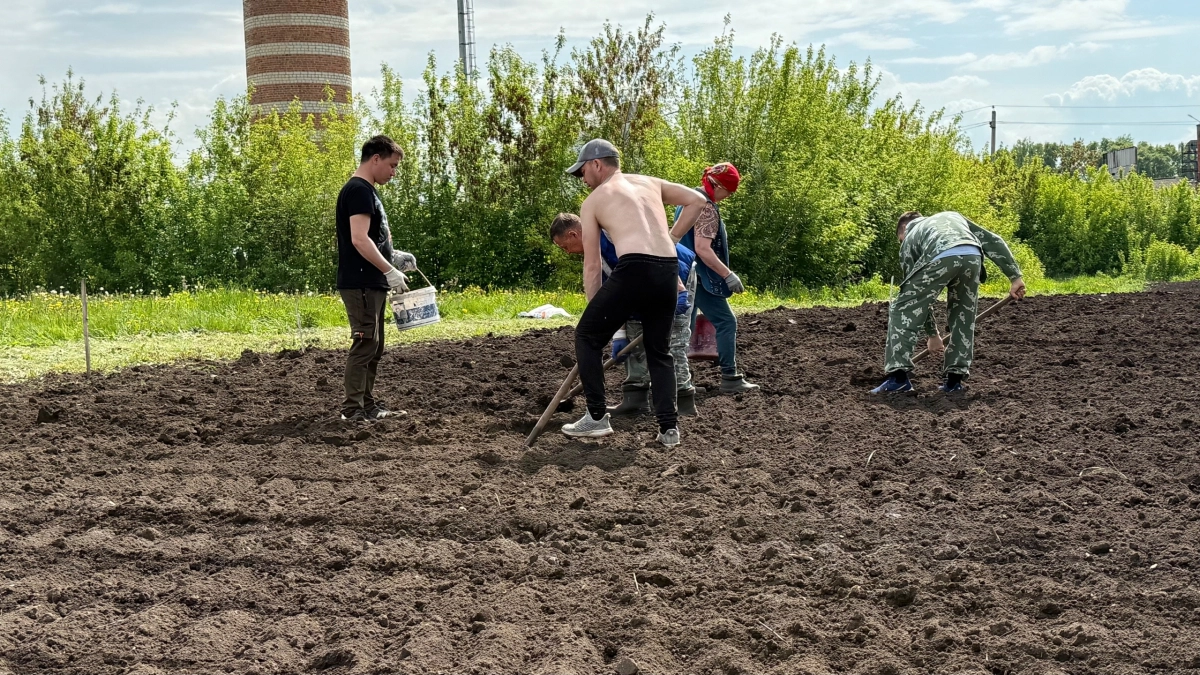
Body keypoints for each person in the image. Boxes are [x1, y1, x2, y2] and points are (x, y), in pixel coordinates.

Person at [560, 139, 708, 447]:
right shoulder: (649, 183)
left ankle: (597, 418)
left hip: (634, 267)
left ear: (597, 164)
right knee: (659, 350)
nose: (583, 180)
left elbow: (591, 265)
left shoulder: (594, 201)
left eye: (583, 172)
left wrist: (595, 314)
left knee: (586, 337)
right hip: (667, 268)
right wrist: (672, 237)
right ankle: (669, 429)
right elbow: (697, 199)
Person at [550, 214, 699, 416]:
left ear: (573, 234)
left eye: (564, 247)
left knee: (672, 338)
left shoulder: (614, 233)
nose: (567, 253)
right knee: (633, 330)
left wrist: (678, 292)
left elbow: (657, 258)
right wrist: (620, 334)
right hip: (636, 283)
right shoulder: (595, 253)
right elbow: (608, 297)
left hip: (672, 270)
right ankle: (635, 398)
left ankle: (683, 401)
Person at [871, 210, 1027, 394]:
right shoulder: (952, 216)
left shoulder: (910, 237)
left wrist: (932, 335)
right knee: (963, 315)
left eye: (900, 239)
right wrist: (1015, 277)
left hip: (941, 256)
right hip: (972, 256)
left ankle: (898, 379)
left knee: (902, 307)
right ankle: (954, 382)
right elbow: (993, 241)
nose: (902, 243)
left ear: (904, 229)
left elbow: (916, 304)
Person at [335, 135, 417, 421]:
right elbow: (359, 239)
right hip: (362, 283)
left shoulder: (367, 191)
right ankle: (352, 409)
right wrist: (388, 270)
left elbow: (372, 238)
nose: (394, 173)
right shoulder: (359, 191)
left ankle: (367, 406)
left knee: (375, 345)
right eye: (392, 166)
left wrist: (393, 256)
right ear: (375, 159)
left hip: (371, 282)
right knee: (365, 343)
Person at [670, 162, 759, 394]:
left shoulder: (687, 199)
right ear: (718, 185)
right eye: (728, 192)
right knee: (726, 322)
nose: (728, 197)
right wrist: (727, 275)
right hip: (701, 278)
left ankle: (680, 383)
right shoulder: (706, 207)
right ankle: (730, 377)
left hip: (683, 273)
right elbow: (703, 248)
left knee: (684, 329)